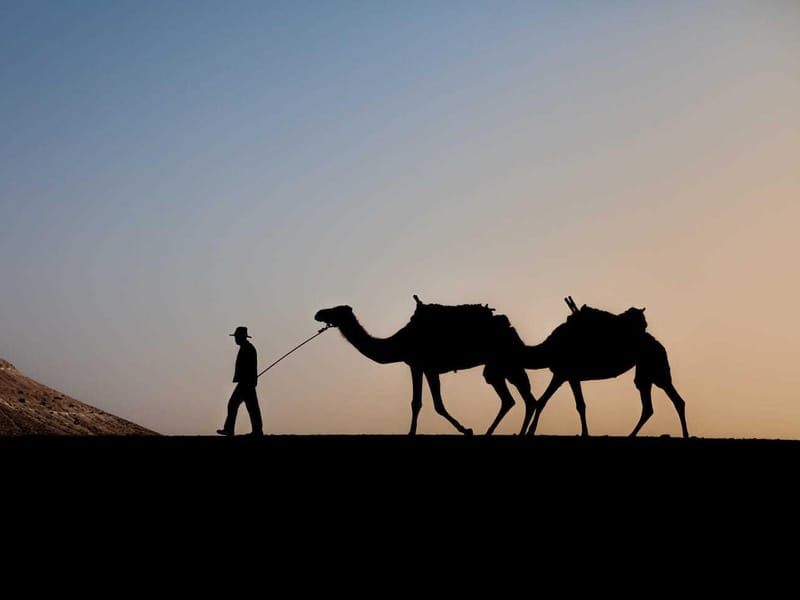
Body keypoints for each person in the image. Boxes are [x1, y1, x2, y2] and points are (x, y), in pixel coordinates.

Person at [217, 326, 263, 436]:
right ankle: (257, 431)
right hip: (247, 382)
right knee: (252, 407)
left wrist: (250, 380)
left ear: (241, 337)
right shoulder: (247, 347)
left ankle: (229, 429)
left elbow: (250, 367)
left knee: (234, 404)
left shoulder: (247, 348)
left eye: (236, 337)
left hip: (245, 383)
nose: (235, 339)